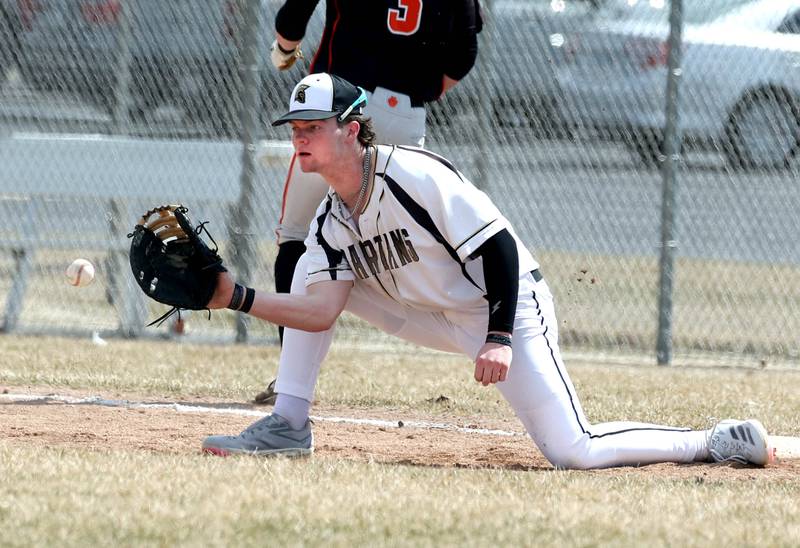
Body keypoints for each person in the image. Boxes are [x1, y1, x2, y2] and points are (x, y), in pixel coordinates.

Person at [201, 73, 775, 469]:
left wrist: (499, 336)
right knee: (308, 267)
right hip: (430, 313)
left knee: (574, 451)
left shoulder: (413, 175)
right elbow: (319, 310)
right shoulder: (331, 219)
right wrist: (234, 296)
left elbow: (500, 247)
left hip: (507, 309)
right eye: (296, 129)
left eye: (314, 127)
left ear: (352, 129)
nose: (300, 138)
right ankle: (288, 424)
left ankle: (712, 440)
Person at [253, 0, 483, 404]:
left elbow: (293, 18)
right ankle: (479, 324)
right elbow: (463, 52)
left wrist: (286, 49)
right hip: (408, 116)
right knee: (405, 240)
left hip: (340, 108)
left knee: (297, 235)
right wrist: (417, 88)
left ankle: (289, 377)